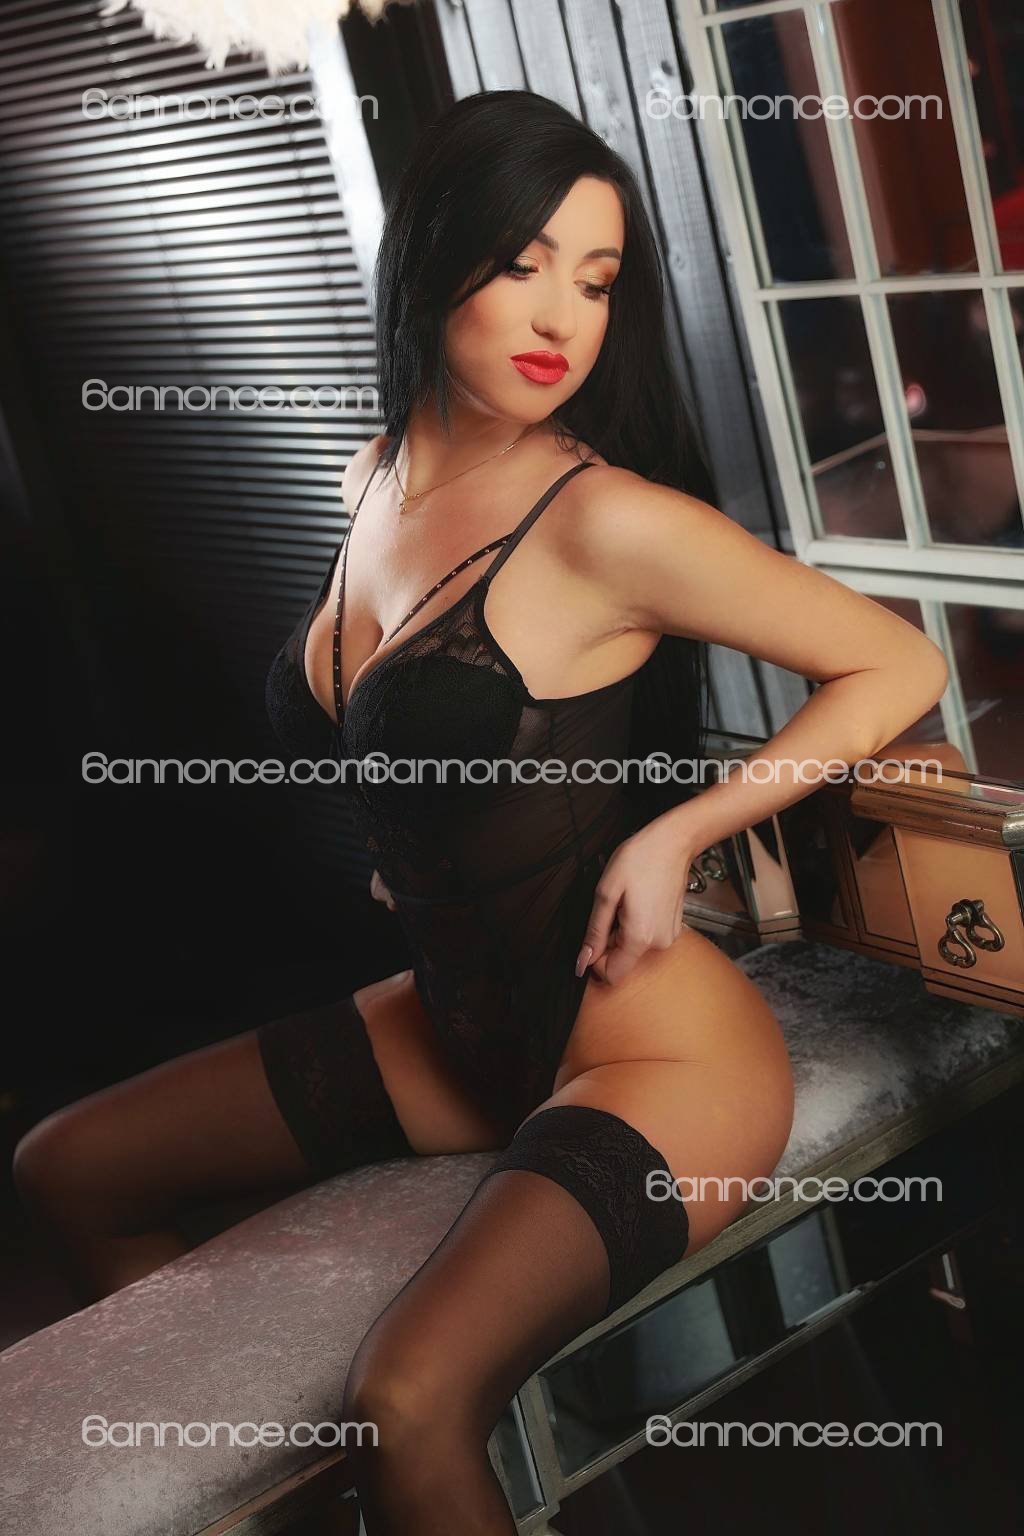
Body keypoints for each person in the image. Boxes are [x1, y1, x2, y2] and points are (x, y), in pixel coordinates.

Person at [13, 90, 949, 1533]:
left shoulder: (603, 520)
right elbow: (417, 735)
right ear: (433, 256)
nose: (563, 315)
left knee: (410, 1399)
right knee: (67, 1167)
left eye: (598, 280)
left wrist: (678, 832)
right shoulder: (371, 477)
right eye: (523, 262)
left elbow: (897, 661)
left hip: (650, 1050)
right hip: (456, 1030)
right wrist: (422, 845)